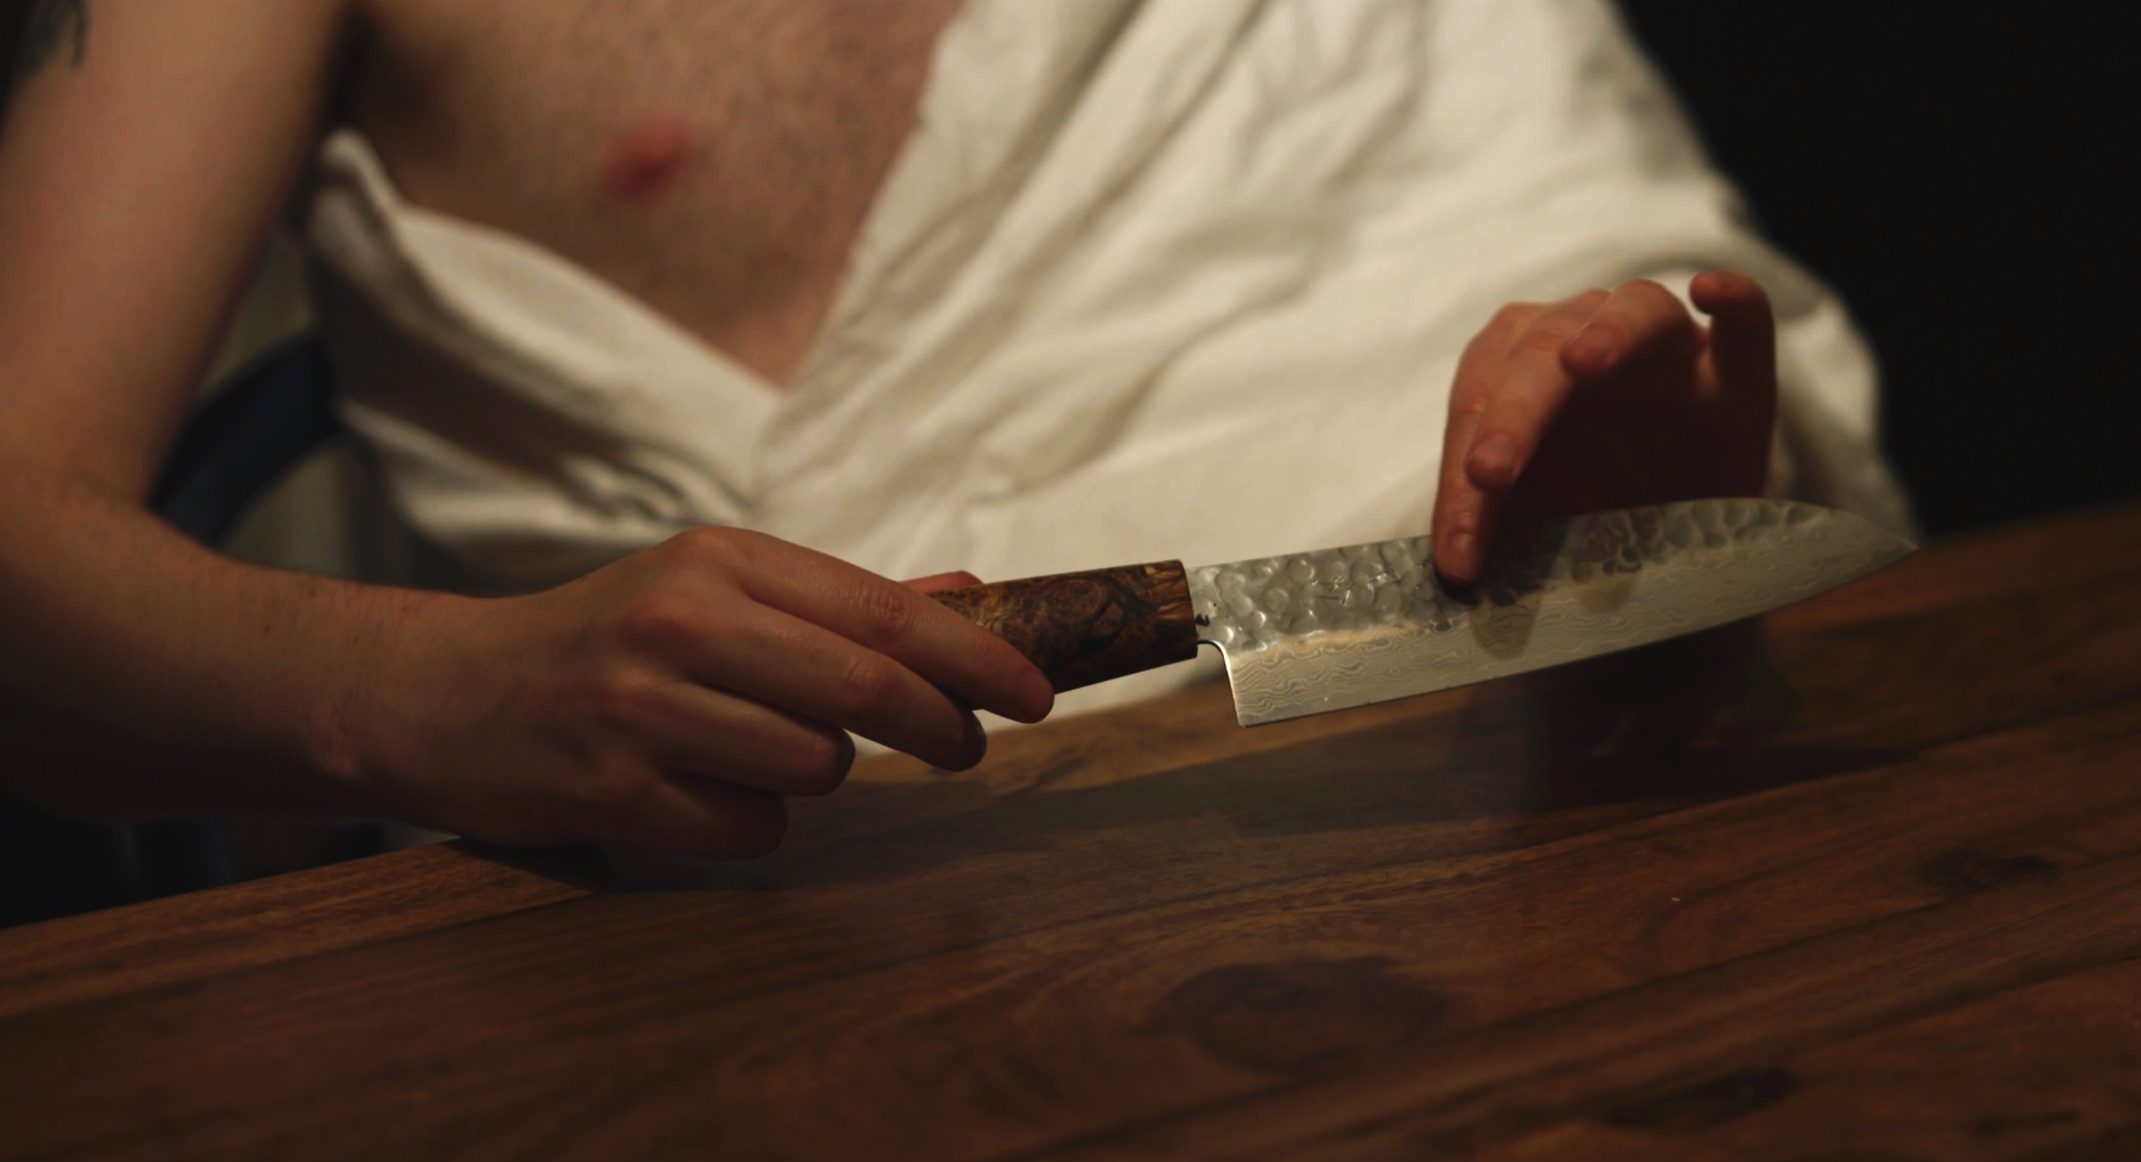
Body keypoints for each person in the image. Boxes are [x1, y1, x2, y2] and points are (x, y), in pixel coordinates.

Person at [0, 0, 1910, 861]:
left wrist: (1650, 478)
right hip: (901, 944)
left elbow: (1573, 221)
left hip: (1632, 786)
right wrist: (434, 692)